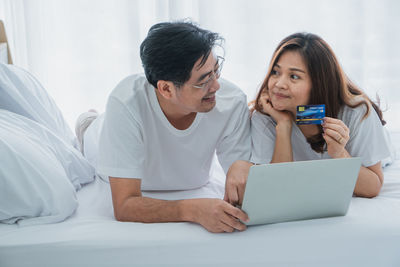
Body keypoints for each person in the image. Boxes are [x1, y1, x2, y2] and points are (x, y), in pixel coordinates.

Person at [80, 21, 251, 233]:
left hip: (181, 172)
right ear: (166, 89)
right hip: (99, 143)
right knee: (92, 128)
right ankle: (89, 121)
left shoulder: (231, 100)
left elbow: (246, 181)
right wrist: (193, 210)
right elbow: (124, 205)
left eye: (216, 71)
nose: (216, 85)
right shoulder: (126, 102)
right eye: (204, 81)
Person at [241, 32, 390, 200]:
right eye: (275, 72)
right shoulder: (266, 115)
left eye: (294, 76)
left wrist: (339, 153)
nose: (279, 84)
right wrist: (284, 126)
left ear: (319, 83)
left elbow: (373, 186)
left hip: (373, 152)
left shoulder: (356, 111)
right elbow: (278, 189)